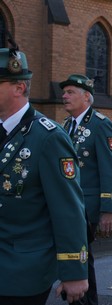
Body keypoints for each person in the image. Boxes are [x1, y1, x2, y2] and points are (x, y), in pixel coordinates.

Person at [0, 46, 88, 304]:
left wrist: (74, 272)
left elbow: (68, 209)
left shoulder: (48, 138)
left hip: (23, 271)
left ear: (19, 87)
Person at [61, 73, 112, 305]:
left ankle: (80, 300)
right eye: (64, 92)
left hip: (88, 206)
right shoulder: (67, 125)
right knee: (82, 258)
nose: (64, 96)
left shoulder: (101, 125)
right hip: (69, 205)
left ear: (86, 97)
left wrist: (108, 208)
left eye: (70, 92)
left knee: (78, 256)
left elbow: (110, 169)